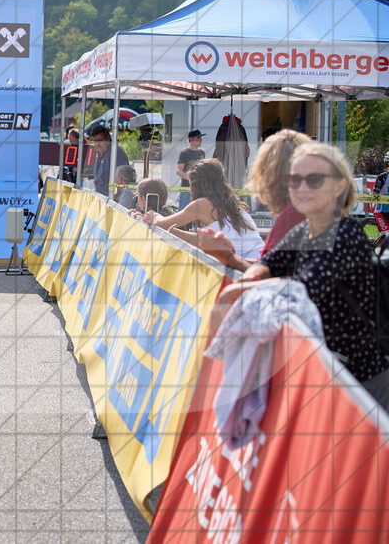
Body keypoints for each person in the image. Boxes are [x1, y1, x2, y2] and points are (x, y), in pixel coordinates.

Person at [220, 143, 389, 408]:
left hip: (363, 387)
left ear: (340, 187)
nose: (302, 188)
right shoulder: (304, 231)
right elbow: (269, 263)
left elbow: (308, 287)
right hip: (328, 381)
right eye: (295, 180)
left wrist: (240, 289)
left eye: (314, 180)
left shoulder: (346, 233)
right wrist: (249, 278)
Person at [199, 129, 311, 271]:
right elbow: (267, 265)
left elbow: (265, 272)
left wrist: (227, 256)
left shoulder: (294, 216)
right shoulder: (304, 212)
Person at [143, 158, 264, 260]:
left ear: (196, 185)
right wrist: (170, 231)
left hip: (246, 265)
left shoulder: (202, 204)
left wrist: (153, 215)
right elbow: (200, 240)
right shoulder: (230, 202)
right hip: (258, 260)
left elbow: (161, 223)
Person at [88, 124, 129, 197]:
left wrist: (114, 201)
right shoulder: (100, 154)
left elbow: (122, 182)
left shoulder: (116, 154)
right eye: (94, 141)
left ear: (108, 139)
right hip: (101, 199)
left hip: (112, 202)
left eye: (100, 140)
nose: (97, 144)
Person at [176, 129, 206, 209]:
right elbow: (179, 171)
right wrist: (190, 178)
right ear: (191, 139)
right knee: (183, 212)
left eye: (200, 137)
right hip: (186, 188)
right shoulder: (184, 153)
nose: (201, 140)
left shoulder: (202, 153)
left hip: (198, 189)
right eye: (198, 137)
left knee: (197, 215)